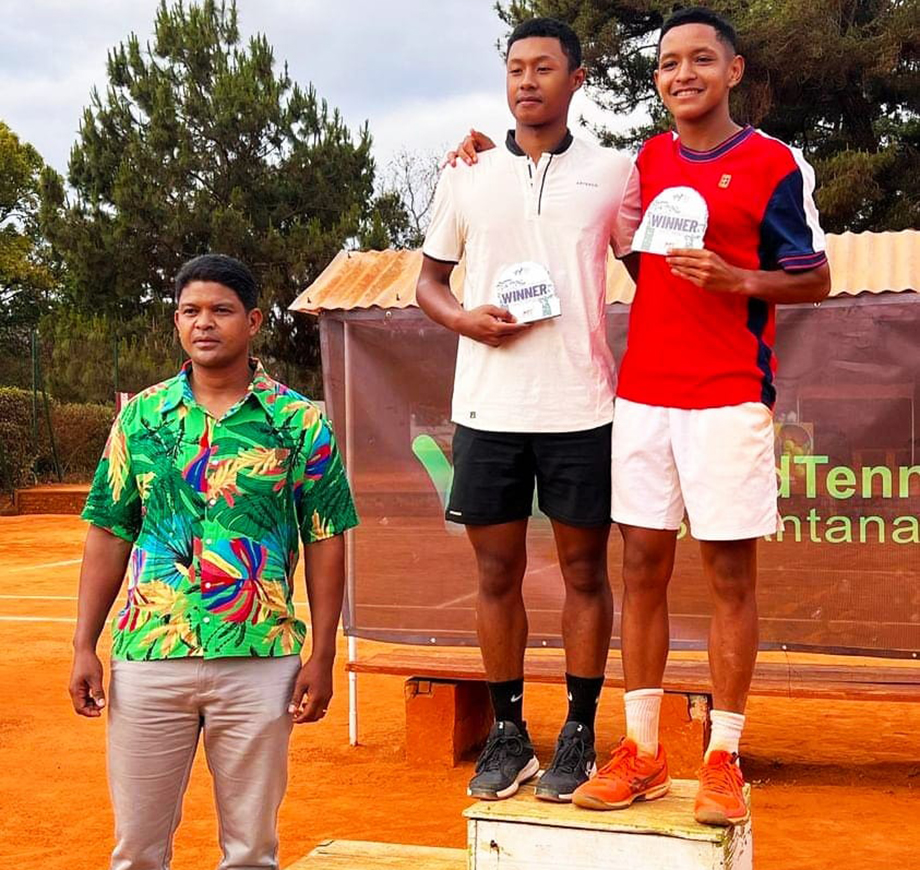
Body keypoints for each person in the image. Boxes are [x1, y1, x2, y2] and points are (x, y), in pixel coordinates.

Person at [450, 7, 830, 826]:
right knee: (640, 572)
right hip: (643, 400)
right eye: (667, 63)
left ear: (733, 70)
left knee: (730, 579)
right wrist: (482, 151)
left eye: (701, 60)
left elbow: (815, 277)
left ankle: (724, 757)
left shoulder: (774, 162)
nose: (682, 74)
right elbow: (548, 182)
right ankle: (644, 752)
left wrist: (739, 279)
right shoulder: (643, 164)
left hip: (729, 396)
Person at [68, 254, 358, 868]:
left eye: (221, 310)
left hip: (260, 659)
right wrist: (83, 644)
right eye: (190, 311)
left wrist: (323, 654)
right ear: (177, 322)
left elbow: (326, 538)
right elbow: (110, 532)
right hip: (150, 656)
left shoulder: (299, 423)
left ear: (253, 321)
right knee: (137, 850)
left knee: (252, 851)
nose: (204, 323)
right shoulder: (141, 418)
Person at [416, 18, 634, 803]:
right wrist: (463, 319)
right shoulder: (467, 173)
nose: (527, 81)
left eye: (544, 67)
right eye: (516, 68)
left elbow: (651, 269)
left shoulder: (614, 172)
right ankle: (509, 735)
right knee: (496, 573)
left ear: (577, 79)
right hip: (488, 408)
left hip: (582, 406)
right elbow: (429, 283)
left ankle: (580, 729)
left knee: (585, 573)